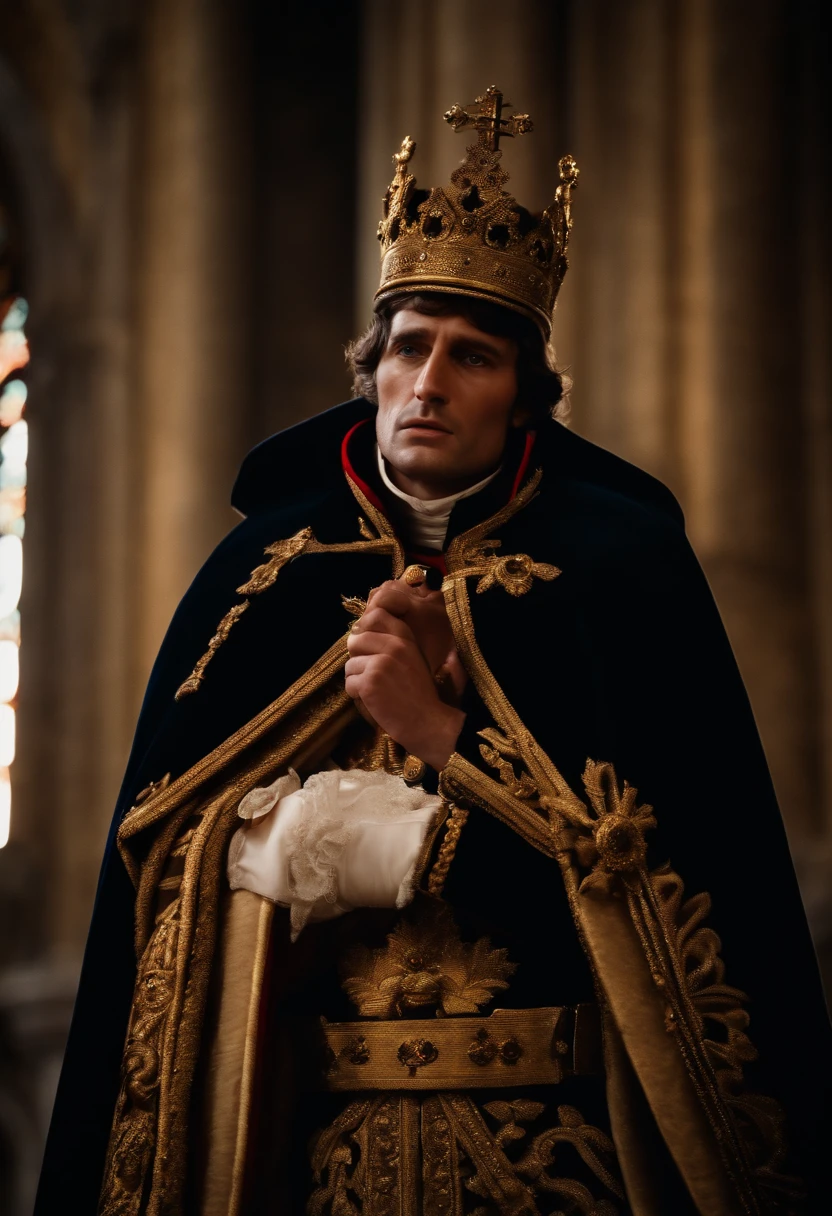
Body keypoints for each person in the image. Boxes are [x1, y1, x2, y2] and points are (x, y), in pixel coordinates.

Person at [36, 86, 830, 1216]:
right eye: (408, 348)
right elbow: (160, 862)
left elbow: (682, 875)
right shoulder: (260, 574)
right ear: (369, 368)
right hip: (314, 1157)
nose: (430, 382)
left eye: (473, 356)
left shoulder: (621, 569)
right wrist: (295, 836)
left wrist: (444, 738)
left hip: (561, 1157)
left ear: (526, 399)